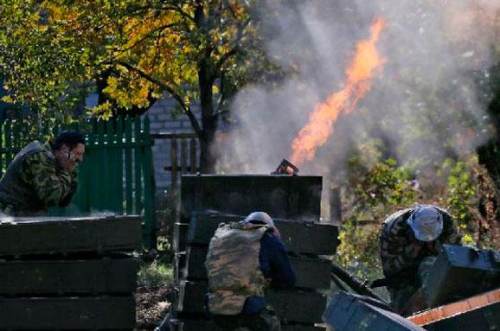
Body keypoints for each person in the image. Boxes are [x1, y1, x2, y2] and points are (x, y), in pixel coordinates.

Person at [205, 211, 296, 331]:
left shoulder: (223, 235)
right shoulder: (267, 238)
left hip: (215, 307)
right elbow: (289, 278)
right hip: (248, 309)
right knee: (272, 324)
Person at [378, 204, 462, 314]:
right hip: (404, 273)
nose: (426, 242)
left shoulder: (448, 225)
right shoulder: (393, 229)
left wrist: (436, 251)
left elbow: (456, 260)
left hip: (436, 268)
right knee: (402, 308)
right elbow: (390, 269)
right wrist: (411, 252)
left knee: (431, 266)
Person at [0, 131, 85, 216]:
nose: (80, 159)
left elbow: (64, 202)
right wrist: (66, 171)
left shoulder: (55, 160)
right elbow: (52, 197)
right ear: (64, 149)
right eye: (77, 154)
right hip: (8, 215)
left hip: (20, 215)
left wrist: (70, 172)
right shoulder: (40, 157)